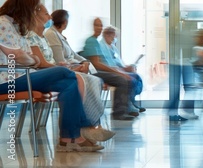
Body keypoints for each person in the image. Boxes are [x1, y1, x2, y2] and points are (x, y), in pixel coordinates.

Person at [0, 0, 103, 152]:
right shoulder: (3, 23)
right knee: (65, 72)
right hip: (8, 80)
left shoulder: (17, 27)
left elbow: (27, 57)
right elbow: (17, 56)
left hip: (23, 75)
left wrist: (30, 58)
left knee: (69, 84)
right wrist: (32, 59)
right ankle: (84, 125)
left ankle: (68, 139)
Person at [28, 4, 114, 142]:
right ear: (35, 16)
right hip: (44, 74)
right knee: (81, 80)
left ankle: (90, 126)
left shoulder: (43, 37)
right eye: (46, 14)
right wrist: (70, 68)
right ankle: (87, 127)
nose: (50, 17)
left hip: (54, 71)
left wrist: (83, 63)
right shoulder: (35, 36)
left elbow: (62, 58)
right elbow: (43, 63)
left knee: (89, 80)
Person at [80, 18, 137, 120]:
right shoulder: (91, 41)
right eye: (97, 25)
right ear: (93, 27)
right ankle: (119, 113)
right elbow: (97, 64)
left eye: (101, 25)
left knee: (125, 78)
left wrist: (121, 71)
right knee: (121, 79)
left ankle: (126, 108)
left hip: (98, 71)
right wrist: (117, 72)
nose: (99, 28)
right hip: (94, 72)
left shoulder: (96, 42)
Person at [99, 26, 145, 113]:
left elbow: (119, 63)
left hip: (119, 70)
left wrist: (128, 68)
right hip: (109, 72)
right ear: (107, 35)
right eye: (114, 36)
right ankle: (128, 105)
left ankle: (130, 102)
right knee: (131, 79)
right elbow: (108, 65)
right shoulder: (101, 46)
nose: (115, 38)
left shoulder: (113, 48)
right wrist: (122, 71)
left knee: (138, 77)